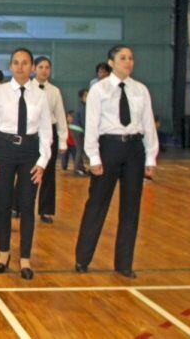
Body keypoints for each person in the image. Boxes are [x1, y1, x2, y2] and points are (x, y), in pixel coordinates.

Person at [75, 45, 158, 279]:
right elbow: (91, 125)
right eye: (123, 58)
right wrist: (93, 156)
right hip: (108, 147)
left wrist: (150, 156)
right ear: (111, 62)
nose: (128, 62)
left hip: (134, 149)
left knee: (131, 208)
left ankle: (124, 263)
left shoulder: (140, 90)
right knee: (97, 205)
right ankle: (82, 258)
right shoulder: (99, 90)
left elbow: (148, 125)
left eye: (131, 58)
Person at [0, 47, 52, 280]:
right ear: (11, 66)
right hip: (4, 149)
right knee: (2, 202)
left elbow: (45, 130)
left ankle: (24, 258)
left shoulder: (40, 95)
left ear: (32, 67)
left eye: (25, 63)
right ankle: (3, 254)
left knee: (26, 204)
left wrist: (42, 162)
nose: (20, 67)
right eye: (16, 63)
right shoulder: (0, 92)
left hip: (30, 152)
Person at [32, 57, 67, 224]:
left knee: (48, 172)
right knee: (26, 171)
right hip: (31, 132)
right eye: (41, 67)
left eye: (47, 67)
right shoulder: (27, 88)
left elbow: (60, 116)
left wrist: (63, 140)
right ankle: (17, 206)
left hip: (49, 132)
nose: (44, 70)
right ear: (34, 69)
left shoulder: (54, 91)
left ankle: (46, 210)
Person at [71, 88, 89, 175]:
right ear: (81, 97)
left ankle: (80, 168)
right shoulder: (82, 107)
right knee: (79, 149)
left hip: (76, 129)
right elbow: (83, 121)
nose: (88, 97)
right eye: (86, 95)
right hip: (77, 130)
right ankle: (77, 169)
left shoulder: (82, 106)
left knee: (80, 149)